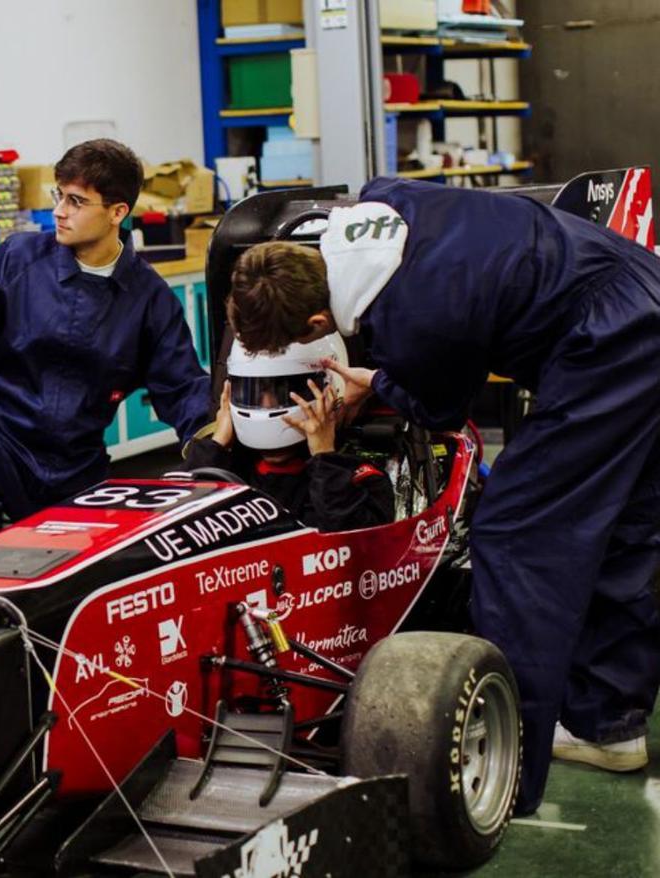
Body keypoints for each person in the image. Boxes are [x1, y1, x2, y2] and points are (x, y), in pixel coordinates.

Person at [226, 176, 660, 815]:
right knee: (622, 517)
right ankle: (608, 724)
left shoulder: (412, 318)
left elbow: (443, 405)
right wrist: (386, 372)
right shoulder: (380, 200)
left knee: (517, 535)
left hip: (607, 339)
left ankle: (504, 764)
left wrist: (377, 381)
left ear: (321, 323)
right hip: (639, 284)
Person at [0, 139, 211, 558]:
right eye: (59, 195)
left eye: (76, 201)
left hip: (76, 460)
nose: (59, 211)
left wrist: (212, 446)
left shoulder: (148, 298)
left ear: (118, 213)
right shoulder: (18, 258)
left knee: (85, 566)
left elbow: (183, 386)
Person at [184, 335, 393, 531]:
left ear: (330, 389)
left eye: (282, 392)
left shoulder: (360, 477)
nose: (266, 406)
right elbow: (177, 526)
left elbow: (349, 542)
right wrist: (216, 445)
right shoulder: (226, 470)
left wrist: (325, 457)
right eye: (253, 393)